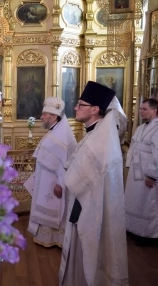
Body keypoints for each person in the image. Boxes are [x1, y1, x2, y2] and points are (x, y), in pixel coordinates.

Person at [59, 81, 128, 286]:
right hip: (82, 205)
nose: (75, 108)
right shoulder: (96, 134)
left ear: (95, 109)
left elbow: (76, 178)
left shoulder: (101, 141)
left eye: (81, 104)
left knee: (87, 256)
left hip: (90, 210)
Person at [25, 97, 77, 247]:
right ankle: (44, 236)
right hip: (46, 179)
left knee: (53, 207)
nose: (41, 117)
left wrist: (60, 184)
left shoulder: (60, 136)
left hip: (54, 183)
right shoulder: (55, 131)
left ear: (54, 116)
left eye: (44, 114)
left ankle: (54, 238)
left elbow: (65, 164)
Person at [125, 98, 158, 246]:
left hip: (147, 173)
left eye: (144, 109)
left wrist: (152, 174)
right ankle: (132, 228)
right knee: (134, 199)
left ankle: (146, 233)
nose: (141, 112)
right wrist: (128, 163)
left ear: (154, 110)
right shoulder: (140, 128)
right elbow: (133, 146)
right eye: (140, 109)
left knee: (146, 203)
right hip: (135, 172)